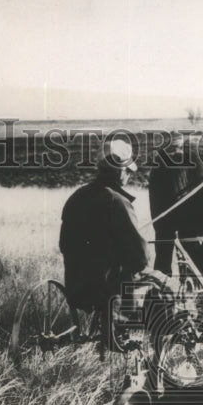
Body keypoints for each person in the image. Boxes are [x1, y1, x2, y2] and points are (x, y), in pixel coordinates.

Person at [59, 138, 149, 350]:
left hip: (76, 286)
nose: (128, 176)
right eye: (127, 171)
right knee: (160, 287)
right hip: (108, 290)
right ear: (119, 172)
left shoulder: (77, 196)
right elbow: (140, 258)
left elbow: (64, 244)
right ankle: (131, 333)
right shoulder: (117, 201)